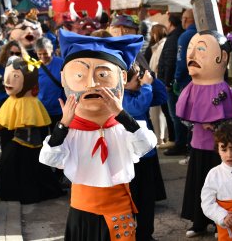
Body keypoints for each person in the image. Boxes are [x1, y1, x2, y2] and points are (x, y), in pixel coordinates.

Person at [39, 29, 157, 241]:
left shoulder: (123, 126)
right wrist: (63, 125)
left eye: (102, 74)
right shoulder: (71, 130)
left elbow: (145, 146)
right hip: (82, 212)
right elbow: (49, 158)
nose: (92, 84)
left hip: (118, 211)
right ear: (64, 79)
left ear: (121, 77)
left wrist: (121, 114)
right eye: (80, 76)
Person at [176, 31, 232, 238]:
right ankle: (198, 221)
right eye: (191, 50)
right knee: (199, 185)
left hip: (220, 149)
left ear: (221, 58)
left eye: (201, 49)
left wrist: (217, 124)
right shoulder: (191, 87)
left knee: (221, 186)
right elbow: (182, 113)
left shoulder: (223, 89)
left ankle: (219, 222)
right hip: (198, 145)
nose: (192, 56)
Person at [0, 56, 65, 204]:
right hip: (16, 143)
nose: (7, 81)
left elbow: (34, 123)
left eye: (14, 77)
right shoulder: (12, 100)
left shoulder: (30, 103)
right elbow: (5, 119)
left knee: (27, 170)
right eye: (7, 76)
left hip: (29, 146)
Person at [123, 62, 167, 241]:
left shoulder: (139, 90)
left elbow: (161, 97)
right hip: (129, 157)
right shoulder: (120, 96)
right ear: (123, 80)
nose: (140, 80)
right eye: (136, 78)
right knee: (130, 199)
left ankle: (145, 234)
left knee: (147, 199)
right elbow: (137, 108)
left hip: (146, 154)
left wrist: (153, 80)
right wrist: (147, 86)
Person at [164, 9, 196, 156]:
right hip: (199, 83)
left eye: (184, 18)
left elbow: (181, 62)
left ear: (188, 20)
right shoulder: (205, 34)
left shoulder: (185, 36)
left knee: (183, 117)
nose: (182, 21)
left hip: (186, 83)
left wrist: (175, 80)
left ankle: (185, 147)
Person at [157, 14, 184, 150]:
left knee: (175, 115)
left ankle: (179, 143)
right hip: (172, 82)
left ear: (170, 23)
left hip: (171, 83)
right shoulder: (177, 36)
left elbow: (170, 61)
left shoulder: (174, 38)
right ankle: (178, 141)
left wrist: (167, 82)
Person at [35, 37, 65, 131]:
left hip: (58, 110)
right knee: (42, 140)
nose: (43, 56)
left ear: (51, 50)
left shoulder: (61, 63)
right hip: (41, 110)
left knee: (57, 139)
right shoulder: (34, 66)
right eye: (39, 54)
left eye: (45, 53)